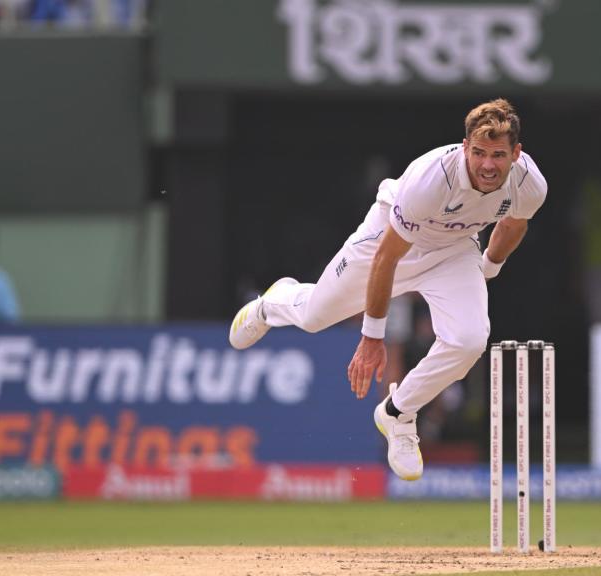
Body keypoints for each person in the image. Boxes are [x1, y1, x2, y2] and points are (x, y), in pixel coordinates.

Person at [229, 98, 546, 482]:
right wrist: (372, 337)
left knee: (469, 340)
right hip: (388, 241)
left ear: (516, 153)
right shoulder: (431, 180)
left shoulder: (530, 183)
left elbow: (514, 223)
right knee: (314, 318)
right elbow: (387, 258)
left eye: (498, 155)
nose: (487, 165)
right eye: (479, 153)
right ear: (465, 148)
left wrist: (489, 269)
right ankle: (272, 304)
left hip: (454, 250)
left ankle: (397, 413)